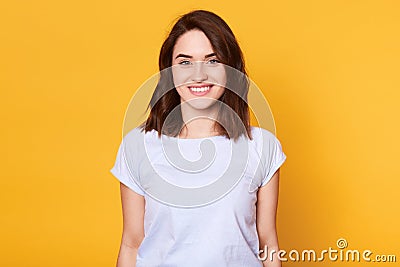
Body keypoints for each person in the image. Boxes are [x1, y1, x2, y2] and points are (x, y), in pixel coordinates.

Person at [110, 9, 287, 267]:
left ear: (230, 69)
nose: (199, 75)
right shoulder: (138, 146)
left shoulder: (262, 147)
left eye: (212, 61)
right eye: (185, 62)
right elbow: (131, 243)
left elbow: (268, 242)